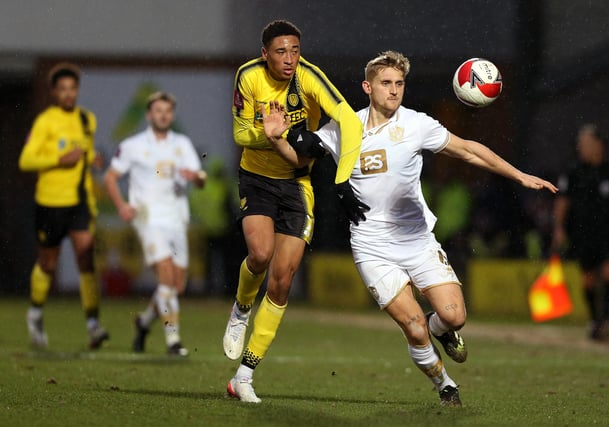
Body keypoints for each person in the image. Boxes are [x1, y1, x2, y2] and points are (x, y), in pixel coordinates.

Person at [263, 50, 558, 406]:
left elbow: (467, 151)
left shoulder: (417, 124)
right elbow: (303, 158)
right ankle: (445, 385)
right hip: (372, 245)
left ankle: (440, 327)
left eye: (399, 83)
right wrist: (278, 139)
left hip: (417, 239)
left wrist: (519, 175)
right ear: (367, 87)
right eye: (386, 83)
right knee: (413, 327)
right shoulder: (346, 126)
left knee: (455, 317)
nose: (393, 90)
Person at [223, 20, 366, 403]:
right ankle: (240, 310)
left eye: (295, 51)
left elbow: (350, 121)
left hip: (297, 184)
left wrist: (341, 179)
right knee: (260, 254)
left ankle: (244, 375)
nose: (289, 59)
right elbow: (239, 134)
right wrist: (269, 135)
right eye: (281, 52)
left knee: (282, 281)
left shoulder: (309, 78)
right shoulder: (249, 76)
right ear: (265, 53)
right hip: (256, 178)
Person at [103, 91, 206, 356]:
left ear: (172, 114)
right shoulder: (133, 145)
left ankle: (143, 322)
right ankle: (173, 341)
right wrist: (122, 206)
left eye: (167, 111)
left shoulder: (181, 144)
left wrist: (195, 177)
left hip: (176, 218)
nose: (163, 115)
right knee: (166, 277)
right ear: (149, 115)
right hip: (148, 218)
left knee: (175, 286)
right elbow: (110, 177)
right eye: (158, 111)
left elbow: (200, 177)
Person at [19, 62, 110, 349]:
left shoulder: (86, 120)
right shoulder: (46, 121)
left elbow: (84, 153)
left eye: (72, 89)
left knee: (86, 258)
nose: (69, 94)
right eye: (63, 90)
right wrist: (59, 160)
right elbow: (26, 160)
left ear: (77, 91)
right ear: (54, 92)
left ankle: (93, 325)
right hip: (50, 203)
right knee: (48, 263)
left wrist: (93, 158)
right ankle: (34, 313)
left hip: (79, 202)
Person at [552, 124, 609, 341]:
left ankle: (606, 320)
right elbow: (563, 201)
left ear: (598, 145)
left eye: (585, 143)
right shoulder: (574, 171)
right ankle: (595, 320)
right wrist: (559, 228)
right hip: (582, 232)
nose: (581, 147)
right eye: (580, 144)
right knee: (588, 278)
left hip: (608, 231)